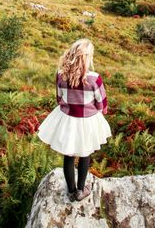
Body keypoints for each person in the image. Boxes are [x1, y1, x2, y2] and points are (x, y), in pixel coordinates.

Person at [37, 38, 111, 201]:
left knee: (69, 155)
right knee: (85, 154)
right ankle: (80, 190)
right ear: (87, 57)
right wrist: (99, 112)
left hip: (68, 119)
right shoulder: (94, 78)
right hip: (87, 119)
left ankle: (71, 191)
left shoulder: (60, 75)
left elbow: (59, 98)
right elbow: (101, 102)